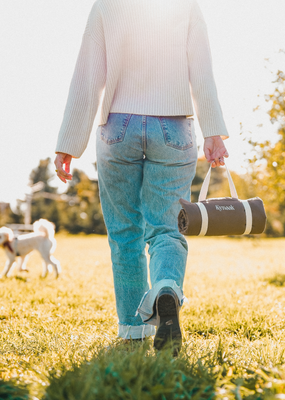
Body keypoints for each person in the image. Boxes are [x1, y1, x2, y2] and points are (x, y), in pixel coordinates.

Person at [54, 0, 229, 354]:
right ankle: (166, 288)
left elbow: (88, 75)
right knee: (166, 228)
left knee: (124, 232)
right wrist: (213, 131)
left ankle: (133, 329)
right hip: (175, 126)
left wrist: (68, 143)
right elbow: (203, 71)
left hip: (118, 125)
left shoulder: (106, 6)